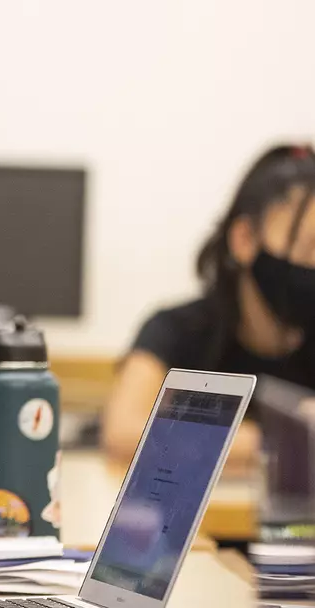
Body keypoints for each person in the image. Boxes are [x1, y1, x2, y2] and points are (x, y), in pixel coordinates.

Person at [103, 144, 315, 469]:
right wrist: (286, 437)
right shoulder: (179, 330)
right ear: (245, 239)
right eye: (309, 247)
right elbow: (122, 432)